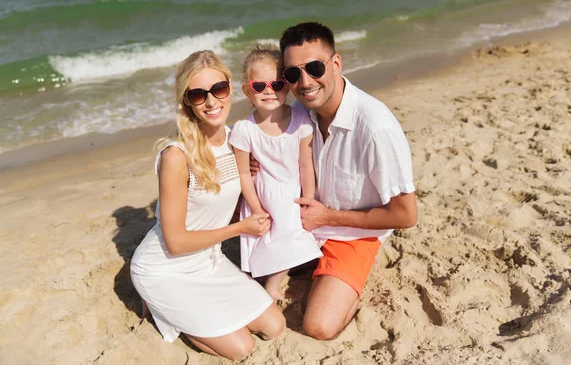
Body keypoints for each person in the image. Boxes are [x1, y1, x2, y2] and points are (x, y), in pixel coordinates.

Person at [130, 50, 285, 361]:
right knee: (242, 348)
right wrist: (240, 228)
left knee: (275, 326)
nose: (212, 102)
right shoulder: (177, 156)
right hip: (166, 269)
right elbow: (175, 243)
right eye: (199, 94)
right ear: (188, 101)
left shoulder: (237, 139)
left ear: (231, 88)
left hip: (208, 262)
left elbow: (226, 197)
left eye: (219, 89)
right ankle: (160, 306)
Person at [279, 22, 418, 340]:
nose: (305, 82)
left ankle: (352, 287)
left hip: (354, 234)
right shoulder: (302, 114)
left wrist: (327, 217)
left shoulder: (374, 126)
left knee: (318, 326)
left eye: (314, 68)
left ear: (336, 64)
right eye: (292, 74)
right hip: (307, 225)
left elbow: (406, 215)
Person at [229, 45, 323, 301]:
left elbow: (306, 165)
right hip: (263, 196)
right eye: (260, 86)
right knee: (273, 243)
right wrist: (256, 208)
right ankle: (271, 284)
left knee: (294, 235)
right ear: (248, 90)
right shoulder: (243, 130)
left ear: (287, 86)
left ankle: (277, 279)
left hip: (292, 192)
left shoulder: (301, 119)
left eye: (278, 84)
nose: (269, 91)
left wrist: (309, 198)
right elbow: (244, 175)